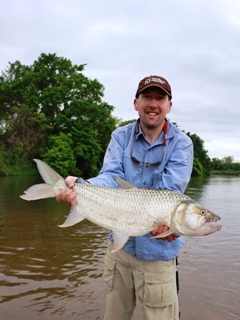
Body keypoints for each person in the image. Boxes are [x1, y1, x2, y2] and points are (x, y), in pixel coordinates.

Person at [57, 75, 193, 320]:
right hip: (119, 251)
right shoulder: (120, 136)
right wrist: (82, 187)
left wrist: (168, 224)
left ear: (169, 105)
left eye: (160, 98)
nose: (153, 103)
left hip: (158, 254)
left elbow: (168, 191)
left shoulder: (182, 144)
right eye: (147, 97)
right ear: (136, 103)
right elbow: (109, 176)